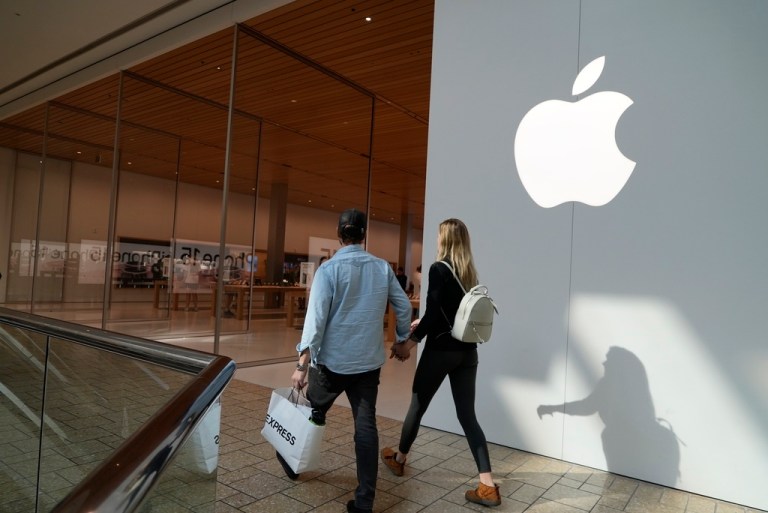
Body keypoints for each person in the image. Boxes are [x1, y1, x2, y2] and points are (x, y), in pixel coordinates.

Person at [281, 208, 412, 513]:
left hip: (330, 364)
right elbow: (403, 306)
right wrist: (401, 340)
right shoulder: (381, 268)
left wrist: (301, 365)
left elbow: (315, 320)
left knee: (312, 414)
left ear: (339, 234)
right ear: (364, 235)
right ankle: (365, 501)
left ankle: (291, 462)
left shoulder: (328, 270)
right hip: (367, 364)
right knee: (365, 427)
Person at [384, 218, 501, 507]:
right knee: (468, 417)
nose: (436, 240)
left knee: (417, 406)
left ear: (444, 240)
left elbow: (435, 312)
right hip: (467, 352)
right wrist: (423, 323)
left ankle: (399, 459)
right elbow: (450, 313)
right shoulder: (469, 273)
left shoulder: (438, 269)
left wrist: (409, 343)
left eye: (439, 236)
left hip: (440, 352)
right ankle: (488, 485)